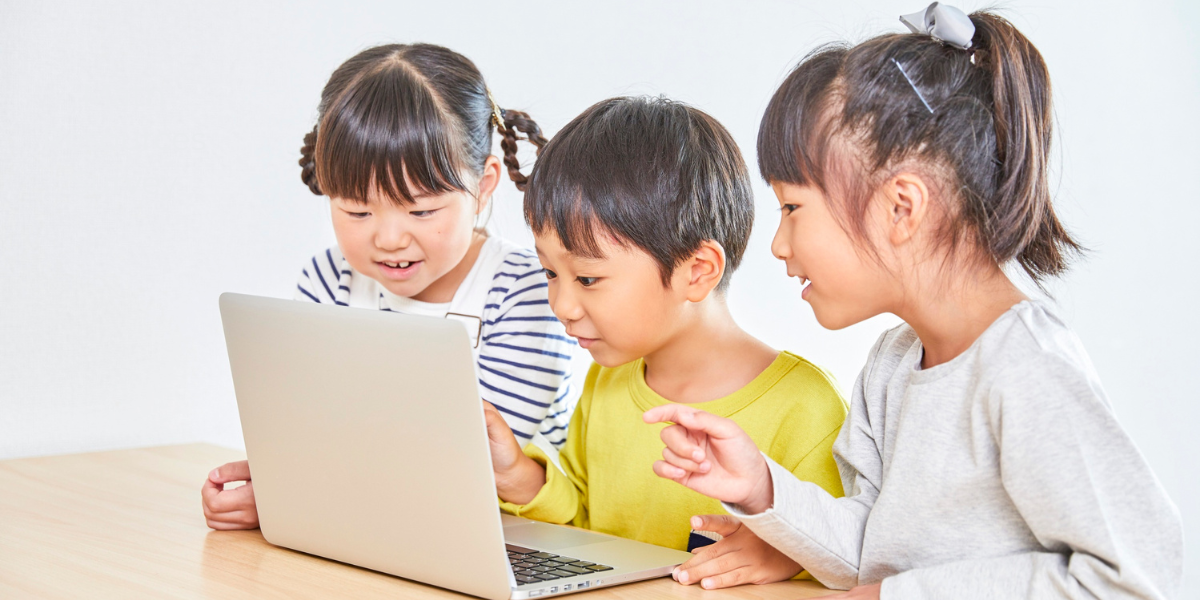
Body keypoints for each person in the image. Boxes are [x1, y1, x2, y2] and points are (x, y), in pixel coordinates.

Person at [645, 5, 1184, 599]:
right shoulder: (893, 364)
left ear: (901, 207)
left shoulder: (1025, 367)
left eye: (793, 207)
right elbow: (865, 557)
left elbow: (1133, 575)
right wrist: (763, 490)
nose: (777, 244)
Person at [202, 43, 577, 530]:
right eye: (357, 210)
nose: (389, 238)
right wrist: (278, 488)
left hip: (513, 533)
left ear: (484, 184)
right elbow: (308, 431)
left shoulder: (525, 292)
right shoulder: (328, 280)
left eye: (422, 211)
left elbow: (460, 465)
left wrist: (310, 487)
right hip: (375, 529)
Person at [483, 95, 849, 589]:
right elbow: (583, 530)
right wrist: (518, 476)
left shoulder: (805, 408)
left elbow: (846, 564)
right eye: (550, 272)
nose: (562, 305)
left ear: (696, 272)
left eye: (587, 279)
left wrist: (789, 553)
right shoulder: (607, 379)